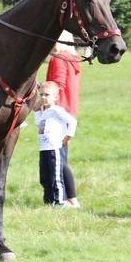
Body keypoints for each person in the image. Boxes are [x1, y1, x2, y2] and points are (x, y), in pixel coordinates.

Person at [45, 31, 82, 208]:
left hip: (58, 113)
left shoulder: (59, 58)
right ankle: (66, 197)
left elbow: (58, 85)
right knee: (61, 156)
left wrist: (41, 104)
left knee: (60, 158)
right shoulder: (72, 59)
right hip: (69, 110)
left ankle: (72, 199)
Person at [34, 81, 77, 208]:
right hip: (44, 148)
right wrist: (36, 109)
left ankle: (60, 202)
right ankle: (48, 200)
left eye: (47, 95)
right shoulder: (44, 113)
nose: (43, 98)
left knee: (56, 176)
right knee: (45, 176)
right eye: (41, 94)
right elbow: (38, 123)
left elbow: (72, 121)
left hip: (54, 148)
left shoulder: (57, 110)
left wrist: (67, 137)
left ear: (56, 97)